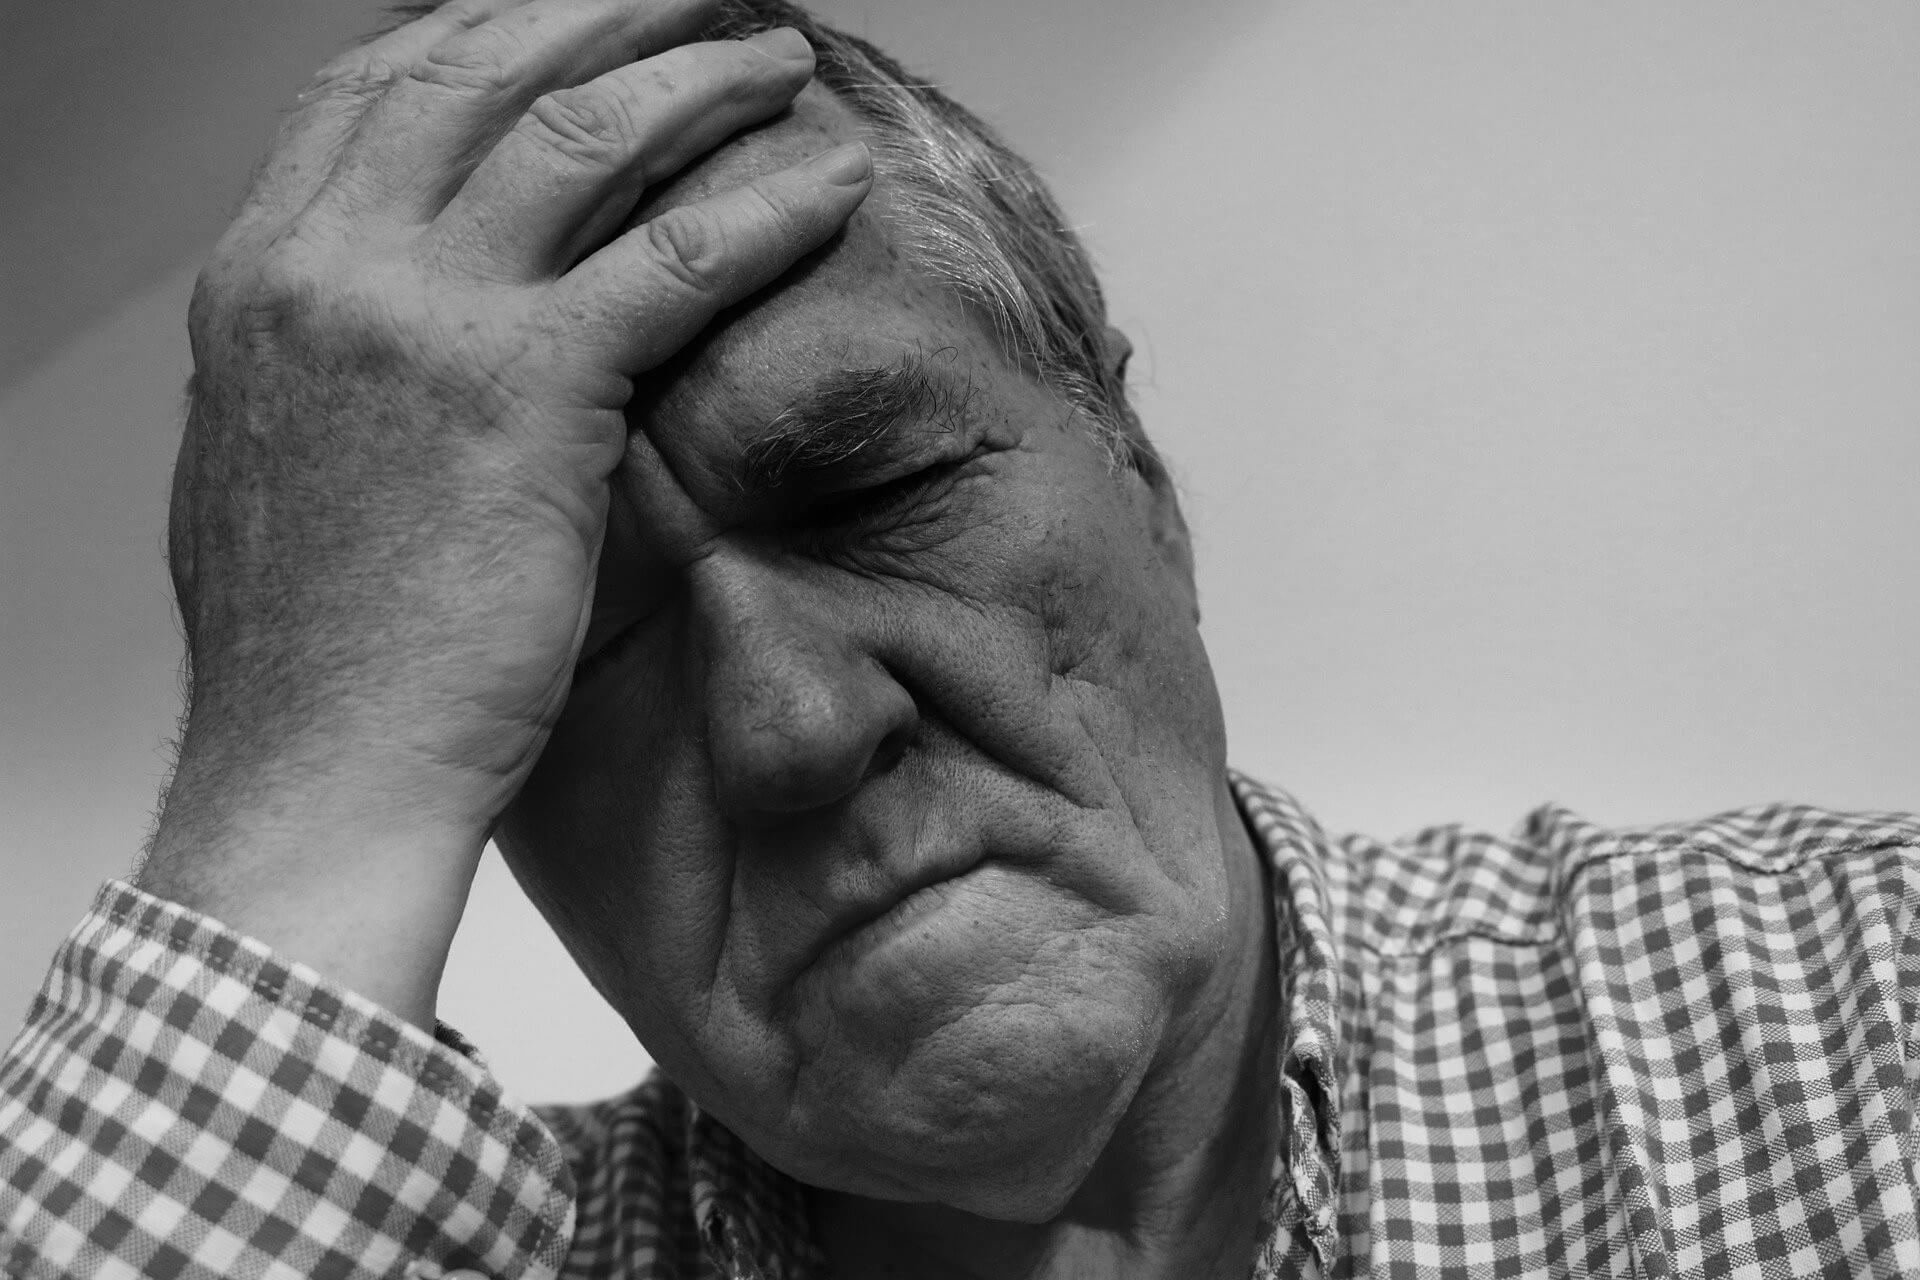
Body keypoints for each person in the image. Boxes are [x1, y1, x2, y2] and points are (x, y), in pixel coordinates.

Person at [3, 0, 1918, 1276]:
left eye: (867, 496)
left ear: (1141, 479)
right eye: (570, 646)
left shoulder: (1855, 1009)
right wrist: (298, 774)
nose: (790, 727)